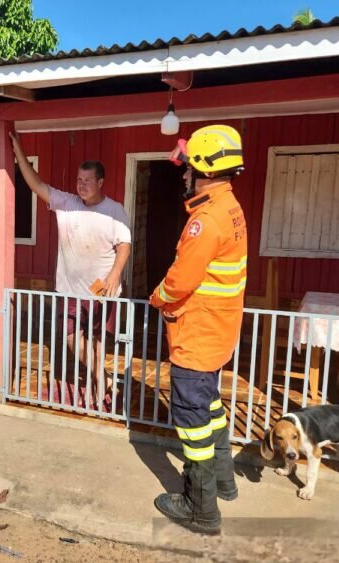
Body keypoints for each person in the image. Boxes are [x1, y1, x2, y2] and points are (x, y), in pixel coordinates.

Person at [149, 125, 248, 535]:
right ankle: (224, 482)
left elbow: (180, 281)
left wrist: (157, 296)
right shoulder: (230, 207)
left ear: (204, 170)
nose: (183, 175)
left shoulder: (204, 221)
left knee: (193, 425)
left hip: (196, 337)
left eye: (188, 167)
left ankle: (200, 508)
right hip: (218, 335)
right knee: (210, 409)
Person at [9, 131, 131, 410]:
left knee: (97, 339)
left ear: (100, 182)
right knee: (71, 337)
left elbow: (124, 245)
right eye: (79, 180)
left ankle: (99, 382)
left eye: (88, 181)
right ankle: (103, 378)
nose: (82, 185)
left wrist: (114, 275)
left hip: (101, 288)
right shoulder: (66, 203)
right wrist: (19, 153)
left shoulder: (114, 210)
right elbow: (35, 183)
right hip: (69, 289)